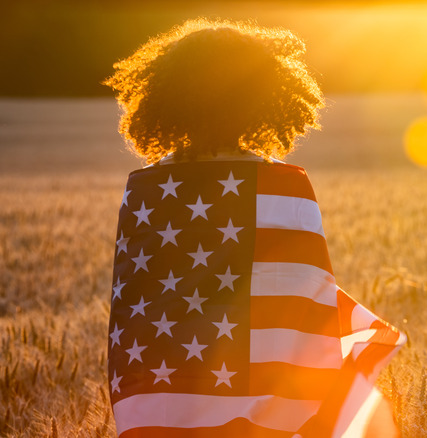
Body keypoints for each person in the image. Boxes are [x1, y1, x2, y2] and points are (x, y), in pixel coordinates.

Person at [104, 18, 404, 438]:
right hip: (267, 388)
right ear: (261, 95)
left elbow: (135, 305)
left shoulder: (145, 189)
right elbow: (304, 291)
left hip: (162, 380)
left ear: (167, 95)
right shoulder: (287, 186)